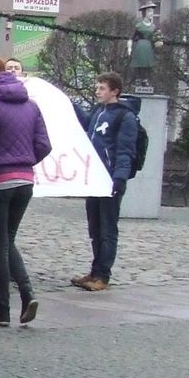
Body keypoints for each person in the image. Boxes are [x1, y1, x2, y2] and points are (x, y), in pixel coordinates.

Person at [0, 59, 51, 327]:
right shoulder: (31, 105)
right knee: (8, 239)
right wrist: (26, 162)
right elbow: (44, 144)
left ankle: (3, 308)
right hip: (25, 181)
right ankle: (27, 293)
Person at [73, 72, 139, 292]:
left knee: (107, 229)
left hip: (109, 179)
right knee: (95, 228)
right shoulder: (98, 111)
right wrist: (69, 105)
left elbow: (125, 151)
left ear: (114, 91)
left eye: (102, 88)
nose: (98, 91)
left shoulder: (124, 117)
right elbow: (85, 124)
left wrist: (119, 179)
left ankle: (103, 275)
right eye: (98, 87)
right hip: (94, 178)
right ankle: (94, 271)